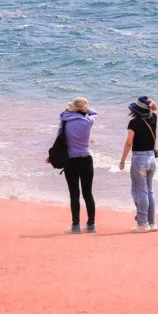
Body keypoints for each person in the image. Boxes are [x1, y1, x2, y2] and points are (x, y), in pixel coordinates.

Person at [54, 97, 97, 233]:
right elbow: (95, 113)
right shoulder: (88, 121)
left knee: (74, 195)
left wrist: (74, 109)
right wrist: (85, 109)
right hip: (86, 160)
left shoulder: (65, 121)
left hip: (71, 161)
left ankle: (76, 226)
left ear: (72, 108)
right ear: (84, 109)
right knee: (88, 194)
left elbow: (59, 137)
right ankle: (91, 225)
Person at [119, 95, 158, 232]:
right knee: (149, 191)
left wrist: (122, 160)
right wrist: (151, 102)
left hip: (139, 159)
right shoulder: (153, 117)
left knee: (139, 191)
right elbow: (155, 108)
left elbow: (129, 142)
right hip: (151, 158)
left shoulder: (134, 123)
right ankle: (152, 222)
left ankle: (142, 223)